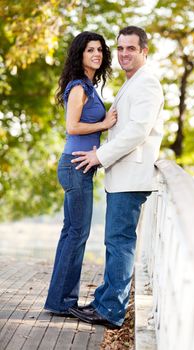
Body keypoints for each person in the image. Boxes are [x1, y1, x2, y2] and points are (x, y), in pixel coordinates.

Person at [69, 26, 164, 328]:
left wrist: (100, 155)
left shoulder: (147, 83)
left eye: (131, 49)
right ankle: (104, 300)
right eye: (121, 48)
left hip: (131, 175)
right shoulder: (131, 82)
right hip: (121, 175)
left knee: (120, 243)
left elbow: (137, 131)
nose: (124, 54)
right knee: (114, 242)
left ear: (144, 52)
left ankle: (111, 311)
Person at [44, 31, 117, 315]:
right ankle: (62, 302)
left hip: (78, 167)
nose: (96, 54)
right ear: (80, 55)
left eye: (99, 49)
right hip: (74, 166)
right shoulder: (79, 87)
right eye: (90, 50)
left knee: (71, 233)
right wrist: (105, 123)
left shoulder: (88, 85)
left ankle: (59, 300)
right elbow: (72, 127)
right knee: (76, 233)